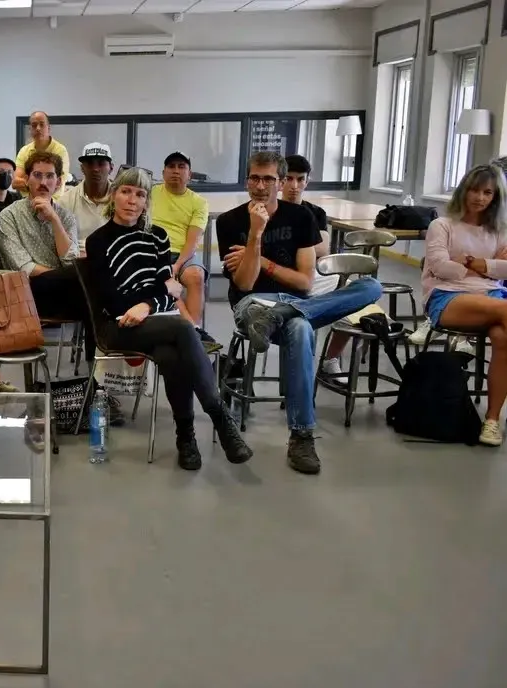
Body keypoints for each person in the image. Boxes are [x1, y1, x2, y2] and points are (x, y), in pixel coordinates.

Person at [217, 152, 382, 475]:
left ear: (280, 182)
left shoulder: (301, 218)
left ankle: (301, 436)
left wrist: (262, 260)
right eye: (254, 178)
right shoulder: (229, 222)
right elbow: (245, 283)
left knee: (370, 288)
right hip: (252, 306)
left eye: (268, 179)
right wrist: (255, 233)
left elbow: (305, 283)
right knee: (301, 326)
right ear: (247, 180)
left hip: (290, 304)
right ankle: (303, 434)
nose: (261, 186)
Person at [85, 167, 253, 470]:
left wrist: (148, 304)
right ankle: (220, 418)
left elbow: (171, 290)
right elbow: (112, 301)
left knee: (171, 353)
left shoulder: (157, 237)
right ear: (114, 195)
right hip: (116, 326)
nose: (132, 200)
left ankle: (186, 437)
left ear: (147, 202)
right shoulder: (98, 241)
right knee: (182, 328)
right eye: (125, 191)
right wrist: (155, 296)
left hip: (156, 320)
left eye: (140, 194)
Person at [0, 150, 100, 386]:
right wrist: (69, 276)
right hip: (28, 294)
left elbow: (68, 259)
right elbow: (23, 267)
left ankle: (94, 381)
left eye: (50, 176)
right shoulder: (9, 216)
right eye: (38, 176)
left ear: (59, 182)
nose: (44, 183)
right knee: (90, 279)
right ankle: (95, 383)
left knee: (91, 296)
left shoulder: (66, 217)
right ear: (28, 180)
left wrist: (54, 219)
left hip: (69, 294)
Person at [421, 163, 507, 446]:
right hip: (447, 297)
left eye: (487, 192)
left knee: (502, 336)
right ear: (463, 190)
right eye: (474, 190)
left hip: (491, 297)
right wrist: (488, 267)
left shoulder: (500, 231)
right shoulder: (442, 225)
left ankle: (492, 421)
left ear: (496, 197)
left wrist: (470, 262)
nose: (479, 197)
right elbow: (439, 268)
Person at [282, 154, 353, 377]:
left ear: (307, 181)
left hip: (312, 275)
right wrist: (305, 247)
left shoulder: (315, 212)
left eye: (300, 179)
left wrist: (290, 247)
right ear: (280, 180)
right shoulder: (273, 209)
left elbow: (323, 249)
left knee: (352, 292)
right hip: (281, 278)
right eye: (289, 179)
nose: (294, 186)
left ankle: (330, 358)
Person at [150, 152, 209, 330]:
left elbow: (193, 241)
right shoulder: (150, 193)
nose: (176, 171)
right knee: (166, 280)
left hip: (184, 254)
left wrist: (177, 265)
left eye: (181, 167)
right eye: (171, 167)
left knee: (196, 276)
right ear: (163, 172)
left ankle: (193, 328)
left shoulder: (199, 203)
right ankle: (195, 334)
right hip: (154, 252)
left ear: (189, 175)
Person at [59, 142, 113, 240]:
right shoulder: (65, 202)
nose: (95, 169)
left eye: (101, 163)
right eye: (90, 163)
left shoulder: (122, 200)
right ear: (82, 168)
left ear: (111, 168)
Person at [13, 110, 72, 196]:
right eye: (34, 125)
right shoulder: (24, 151)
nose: (38, 128)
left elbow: (58, 183)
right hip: (28, 204)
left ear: (48, 128)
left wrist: (32, 182)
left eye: (42, 124)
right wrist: (44, 185)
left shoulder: (60, 150)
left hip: (54, 204)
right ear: (30, 129)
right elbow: (15, 182)